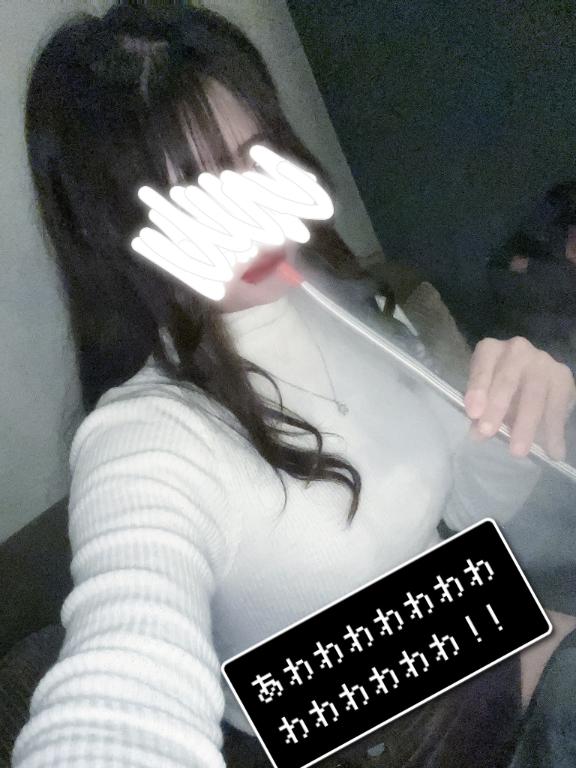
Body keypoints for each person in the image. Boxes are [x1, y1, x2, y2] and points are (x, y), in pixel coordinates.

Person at [12, 4, 576, 767]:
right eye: (189, 192)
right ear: (116, 234)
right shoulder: (144, 438)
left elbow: (469, 504)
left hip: (446, 622)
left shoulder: (351, 303)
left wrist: (519, 416)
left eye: (254, 159)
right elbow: (124, 672)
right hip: (335, 722)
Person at [487, 181, 576, 373]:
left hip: (555, 362)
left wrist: (533, 267)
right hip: (499, 342)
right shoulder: (554, 211)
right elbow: (499, 267)